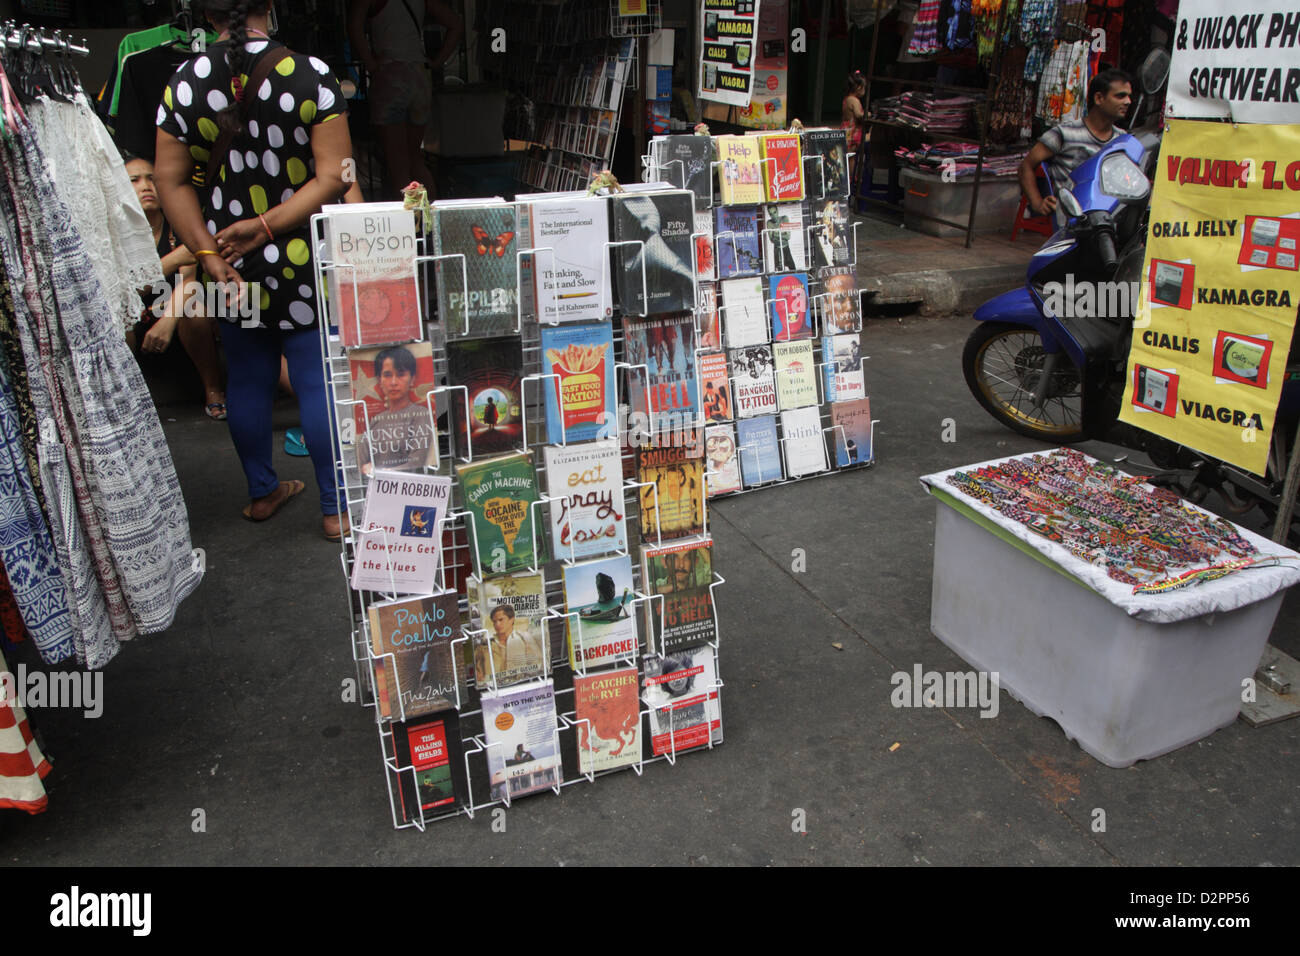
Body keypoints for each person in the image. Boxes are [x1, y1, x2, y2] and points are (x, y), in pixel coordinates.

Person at [155, 0, 355, 540]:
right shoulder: (311, 75)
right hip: (298, 255)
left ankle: (263, 492)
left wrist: (207, 256)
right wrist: (268, 226)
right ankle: (336, 508)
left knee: (245, 378)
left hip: (224, 260)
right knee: (315, 381)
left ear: (206, 13)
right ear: (269, 5)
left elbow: (170, 182)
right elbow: (335, 177)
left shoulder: (184, 81)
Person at [124, 153, 228, 420]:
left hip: (177, 319)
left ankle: (214, 391)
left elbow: (189, 283)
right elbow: (125, 292)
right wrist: (173, 260)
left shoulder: (178, 225)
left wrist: (167, 319)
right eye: (134, 180)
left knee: (193, 302)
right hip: (136, 322)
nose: (146, 186)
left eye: (151, 178)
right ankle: (130, 402)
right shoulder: (118, 234)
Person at [347, 0, 463, 198]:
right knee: (415, 158)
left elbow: (354, 28)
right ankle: (430, 220)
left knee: (398, 164)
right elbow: (456, 24)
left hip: (390, 74)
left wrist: (372, 64)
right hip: (419, 74)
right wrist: (436, 62)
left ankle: (410, 223)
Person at [1020, 68, 1132, 225]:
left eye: (1128, 96)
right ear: (1099, 98)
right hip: (1073, 224)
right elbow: (1026, 166)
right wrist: (1037, 203)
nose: (1128, 101)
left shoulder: (1123, 139)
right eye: (1120, 96)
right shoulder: (1065, 133)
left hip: (1109, 221)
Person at [357, 345, 435, 475]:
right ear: (379, 380)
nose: (393, 382)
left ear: (412, 379)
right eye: (387, 375)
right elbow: (361, 462)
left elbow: (417, 461)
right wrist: (367, 468)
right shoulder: (376, 420)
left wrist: (380, 472)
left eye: (401, 374)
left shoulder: (420, 414)